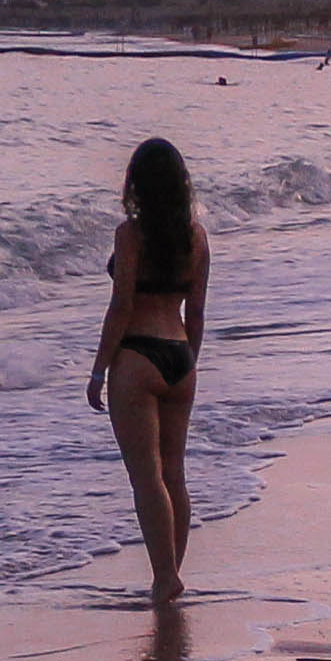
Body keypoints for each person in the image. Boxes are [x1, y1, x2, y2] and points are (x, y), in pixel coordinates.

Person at [86, 137, 209, 603]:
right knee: (174, 472)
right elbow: (195, 313)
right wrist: (189, 362)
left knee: (146, 477)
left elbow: (120, 307)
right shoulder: (196, 236)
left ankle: (164, 579)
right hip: (179, 354)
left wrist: (98, 370)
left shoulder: (130, 235)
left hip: (137, 355)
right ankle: (169, 574)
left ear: (136, 184)